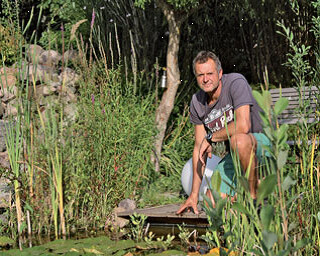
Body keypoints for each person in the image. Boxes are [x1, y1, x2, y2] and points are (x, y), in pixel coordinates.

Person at [177, 51, 270, 215]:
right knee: (212, 204)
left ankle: (255, 200)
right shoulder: (197, 102)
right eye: (200, 75)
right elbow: (199, 148)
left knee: (238, 140)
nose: (206, 79)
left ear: (219, 73)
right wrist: (193, 195)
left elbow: (243, 126)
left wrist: (211, 137)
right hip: (236, 155)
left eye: (210, 73)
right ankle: (247, 190)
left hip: (263, 144)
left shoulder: (235, 82)